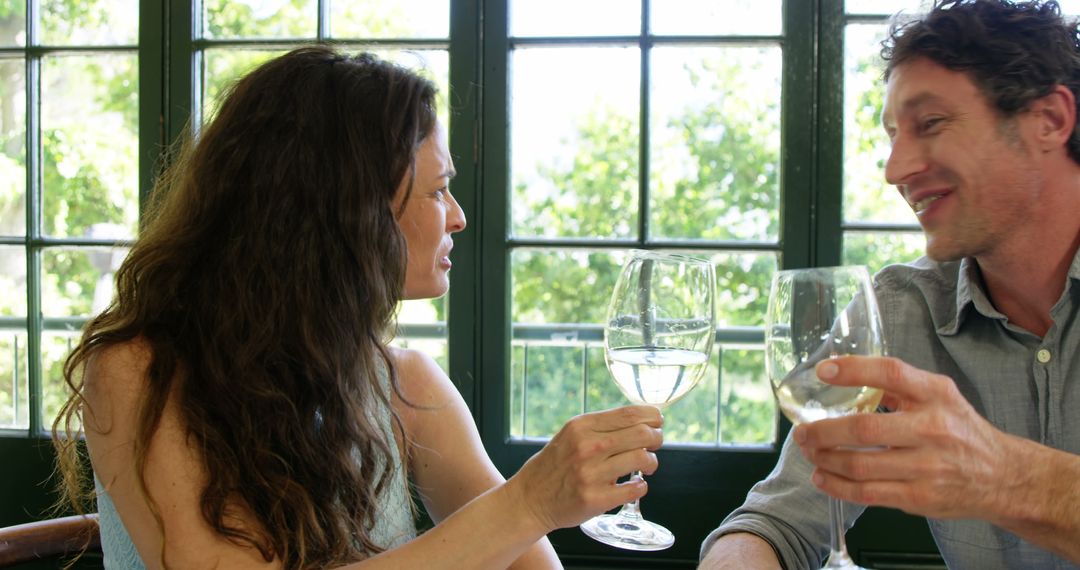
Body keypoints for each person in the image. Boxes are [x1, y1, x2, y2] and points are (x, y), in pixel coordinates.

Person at [51, 46, 664, 570]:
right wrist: (528, 502)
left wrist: (534, 505)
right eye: (438, 190)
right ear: (349, 211)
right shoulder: (139, 371)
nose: (458, 217)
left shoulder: (408, 386)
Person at [699, 0, 1080, 568]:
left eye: (931, 124)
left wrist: (1001, 475)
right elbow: (778, 523)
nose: (895, 170)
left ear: (1049, 119)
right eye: (894, 135)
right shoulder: (899, 310)